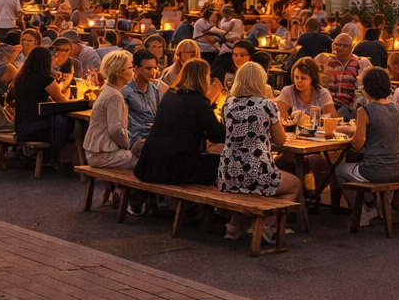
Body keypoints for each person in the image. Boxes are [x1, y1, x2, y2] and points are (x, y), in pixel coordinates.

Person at [218, 61, 304, 244]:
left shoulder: (228, 104)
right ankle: (267, 225)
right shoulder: (266, 105)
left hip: (228, 170)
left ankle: (232, 227)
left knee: (245, 191)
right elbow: (280, 140)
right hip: (255, 169)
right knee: (295, 184)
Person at [136, 57, 226, 185]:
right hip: (175, 169)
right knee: (223, 162)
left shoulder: (170, 94)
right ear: (203, 78)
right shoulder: (198, 101)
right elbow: (217, 134)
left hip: (149, 165)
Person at [334, 67, 399, 225]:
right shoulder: (397, 108)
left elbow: (357, 145)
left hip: (374, 170)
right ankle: (374, 206)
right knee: (356, 165)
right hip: (396, 169)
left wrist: (349, 132)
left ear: (367, 88)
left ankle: (362, 213)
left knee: (339, 170)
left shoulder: (365, 110)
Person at [11, 46, 74, 158]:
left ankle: (54, 158)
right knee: (70, 124)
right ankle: (60, 158)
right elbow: (62, 102)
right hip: (34, 128)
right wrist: (67, 94)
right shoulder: (45, 80)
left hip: (21, 128)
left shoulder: (20, 78)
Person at [122, 49, 162, 149]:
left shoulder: (155, 90)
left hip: (154, 134)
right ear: (136, 69)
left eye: (155, 68)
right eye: (148, 68)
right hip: (136, 138)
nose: (153, 72)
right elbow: (127, 124)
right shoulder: (126, 93)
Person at [320, 33, 366, 119]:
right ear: (332, 46)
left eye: (345, 46)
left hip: (350, 108)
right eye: (337, 45)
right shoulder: (323, 60)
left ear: (352, 47)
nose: (340, 48)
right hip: (326, 105)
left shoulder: (361, 63)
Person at [278, 56, 335, 121]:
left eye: (303, 78)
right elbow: (281, 118)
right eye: (296, 77)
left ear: (312, 78)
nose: (298, 81)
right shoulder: (288, 91)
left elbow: (333, 119)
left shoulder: (322, 93)